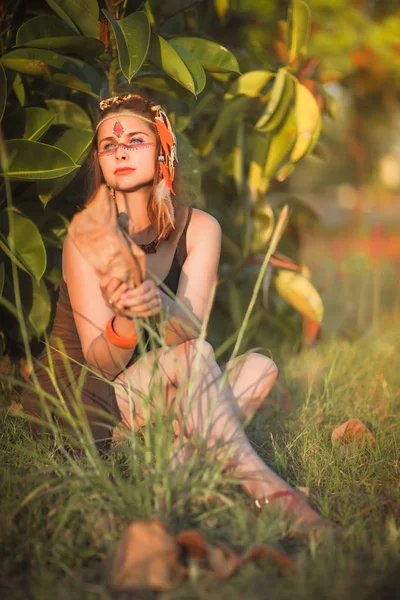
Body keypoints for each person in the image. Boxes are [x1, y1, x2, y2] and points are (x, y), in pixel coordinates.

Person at [23, 93, 327, 535]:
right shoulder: (88, 236)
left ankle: (170, 465)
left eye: (136, 140)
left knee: (259, 367)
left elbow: (188, 330)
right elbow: (100, 363)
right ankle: (267, 490)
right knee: (195, 357)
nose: (121, 150)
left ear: (165, 151)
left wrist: (156, 301)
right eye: (108, 145)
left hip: (160, 394)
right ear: (100, 163)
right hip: (95, 406)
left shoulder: (200, 229)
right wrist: (127, 321)